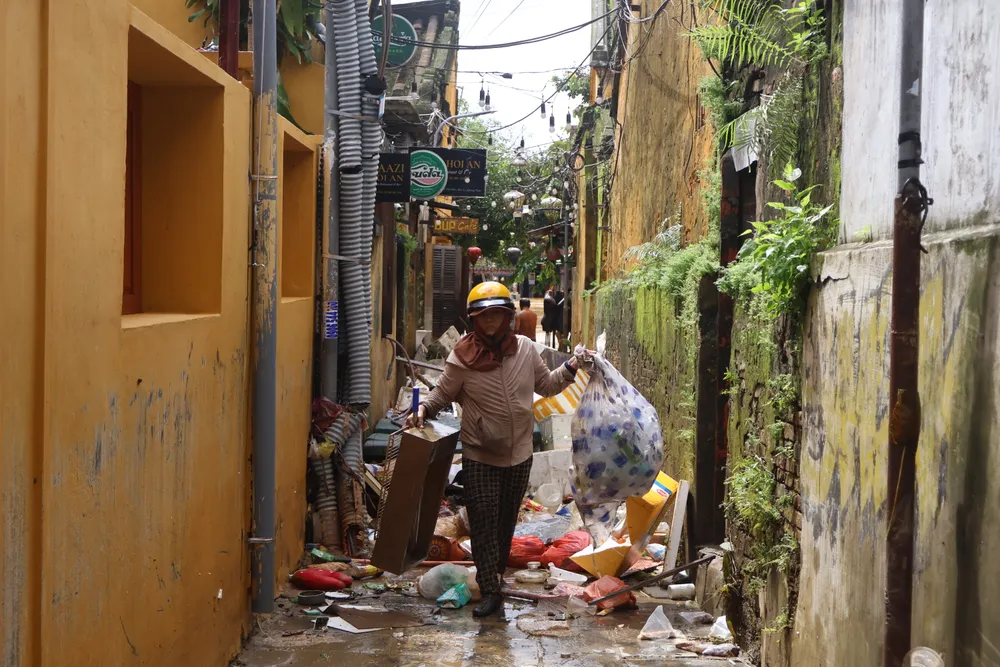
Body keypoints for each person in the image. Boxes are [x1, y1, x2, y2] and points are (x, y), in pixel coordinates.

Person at [405, 281, 583, 618]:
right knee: (484, 524)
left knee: (504, 526)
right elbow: (442, 393)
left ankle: (495, 578)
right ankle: (490, 591)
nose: (490, 321)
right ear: (474, 319)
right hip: (480, 453)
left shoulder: (526, 350)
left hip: (520, 454)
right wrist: (423, 409)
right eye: (483, 315)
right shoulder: (461, 358)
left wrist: (572, 367)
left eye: (497, 314)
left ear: (507, 317)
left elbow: (547, 385)